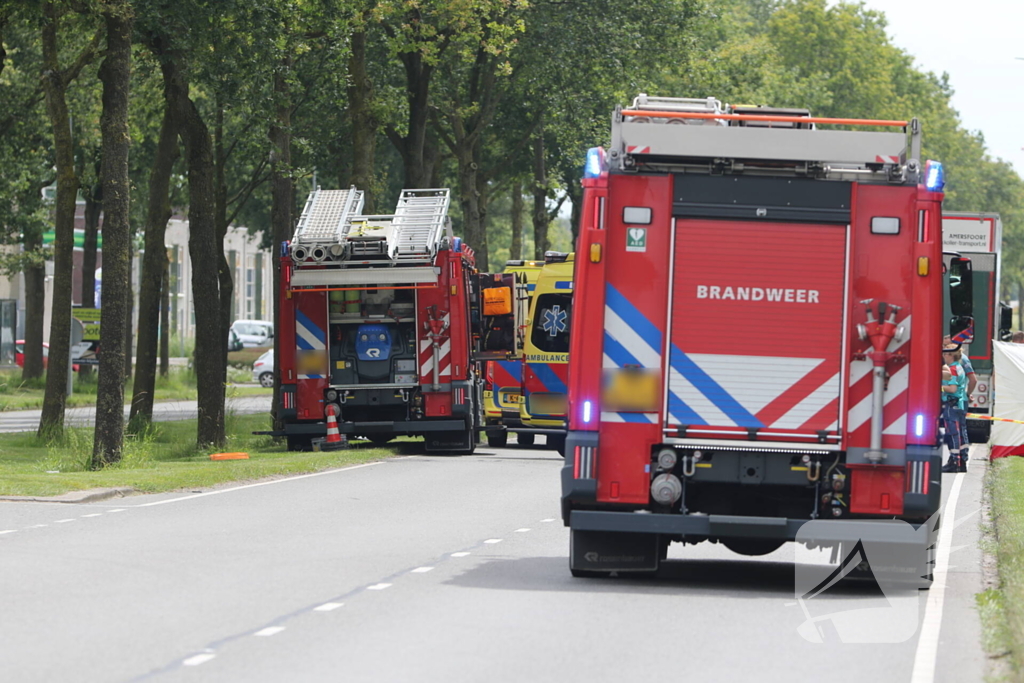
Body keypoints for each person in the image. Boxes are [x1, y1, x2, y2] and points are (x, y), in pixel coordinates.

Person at [941, 343, 970, 473]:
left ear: (950, 355)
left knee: (953, 433)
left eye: (945, 353)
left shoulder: (952, 369)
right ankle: (962, 460)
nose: (943, 355)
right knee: (962, 433)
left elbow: (952, 389)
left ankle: (954, 461)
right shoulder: (959, 367)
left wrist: (939, 386)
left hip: (952, 404)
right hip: (960, 403)